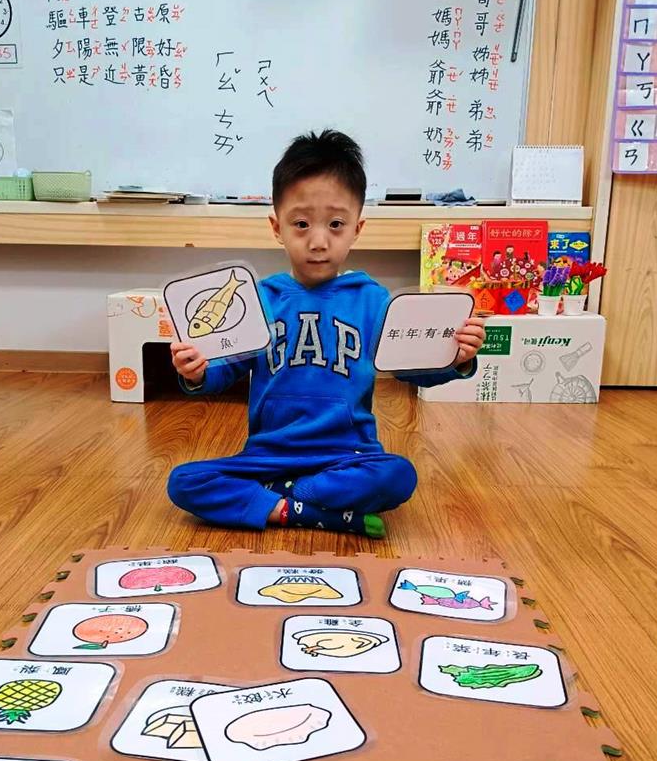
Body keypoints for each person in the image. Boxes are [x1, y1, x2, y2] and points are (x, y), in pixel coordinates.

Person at [168, 130, 485, 538]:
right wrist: (197, 372)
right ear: (277, 227)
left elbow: (413, 369)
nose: (318, 242)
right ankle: (312, 510)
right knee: (184, 481)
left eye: (336, 225)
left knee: (399, 475)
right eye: (301, 224)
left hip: (348, 456)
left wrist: (457, 358)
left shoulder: (373, 301)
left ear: (357, 228)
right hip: (267, 456)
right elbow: (225, 368)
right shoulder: (259, 300)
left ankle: (279, 501)